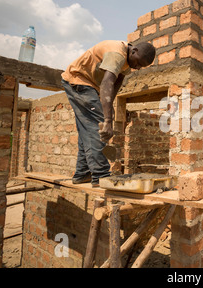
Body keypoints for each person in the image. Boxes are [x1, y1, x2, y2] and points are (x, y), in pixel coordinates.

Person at [61, 40, 156, 187]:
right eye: (138, 63)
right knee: (96, 126)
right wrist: (108, 121)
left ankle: (82, 173)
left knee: (87, 130)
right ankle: (100, 175)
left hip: (88, 85)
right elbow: (107, 83)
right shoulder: (117, 53)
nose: (137, 67)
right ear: (134, 50)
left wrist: (109, 106)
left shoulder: (126, 59)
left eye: (141, 67)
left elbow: (116, 83)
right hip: (79, 81)